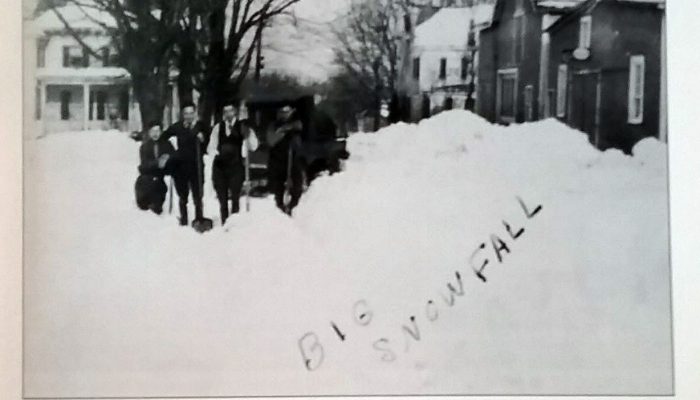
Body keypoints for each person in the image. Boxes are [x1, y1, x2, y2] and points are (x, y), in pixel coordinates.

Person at [207, 101, 259, 224]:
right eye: (226, 111)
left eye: (230, 111)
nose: (228, 114)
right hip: (220, 167)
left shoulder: (243, 126)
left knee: (235, 196)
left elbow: (254, 146)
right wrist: (216, 153)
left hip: (236, 166)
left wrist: (249, 135)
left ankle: (234, 223)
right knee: (222, 198)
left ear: (235, 111)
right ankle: (224, 221)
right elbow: (211, 147)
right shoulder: (218, 127)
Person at [163, 102, 209, 226]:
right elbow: (164, 138)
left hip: (196, 165)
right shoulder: (177, 127)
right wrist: (171, 152)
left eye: (191, 113)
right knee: (183, 195)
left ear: (195, 113)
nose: (188, 116)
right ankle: (184, 220)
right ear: (182, 114)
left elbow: (208, 146)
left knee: (198, 195)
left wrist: (202, 138)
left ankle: (199, 218)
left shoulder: (201, 126)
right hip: (181, 166)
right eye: (186, 113)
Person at [267, 105, 304, 215]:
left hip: (293, 159)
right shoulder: (273, 125)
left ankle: (292, 206)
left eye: (287, 112)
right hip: (278, 160)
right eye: (282, 112)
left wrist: (290, 129)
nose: (285, 114)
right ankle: (280, 208)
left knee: (297, 185)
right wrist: (282, 132)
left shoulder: (295, 124)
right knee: (278, 187)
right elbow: (271, 140)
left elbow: (299, 129)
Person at [135, 121, 175, 215]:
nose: (155, 134)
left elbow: (174, 157)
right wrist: (157, 162)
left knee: (159, 192)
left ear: (161, 132)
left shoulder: (167, 144)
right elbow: (144, 165)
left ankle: (156, 206)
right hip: (147, 177)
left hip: (161, 177)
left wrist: (168, 159)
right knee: (144, 200)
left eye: (157, 131)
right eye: (153, 131)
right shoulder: (144, 147)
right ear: (149, 133)